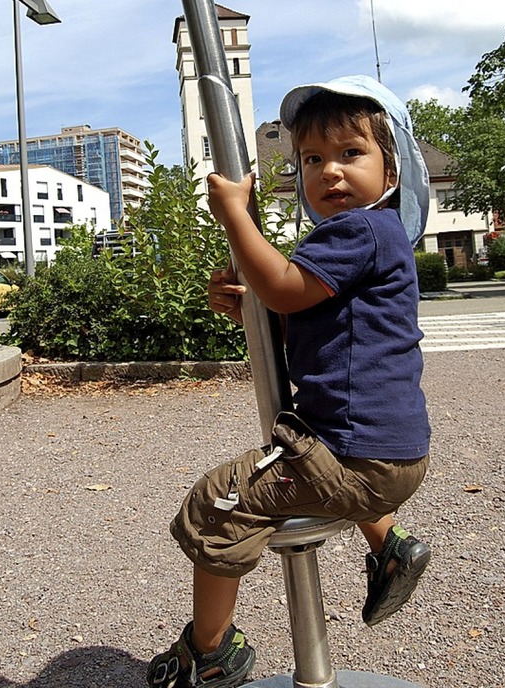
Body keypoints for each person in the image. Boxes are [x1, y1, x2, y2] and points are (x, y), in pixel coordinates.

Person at [147, 75, 432, 688]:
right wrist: (245, 303)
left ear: (392, 173)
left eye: (351, 154)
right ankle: (390, 545)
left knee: (216, 504)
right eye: (311, 158)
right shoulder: (371, 239)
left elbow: (280, 285)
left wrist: (232, 217)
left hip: (355, 456)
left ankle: (209, 651)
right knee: (297, 434)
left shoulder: (359, 231)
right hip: (381, 450)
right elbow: (290, 311)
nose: (328, 171)